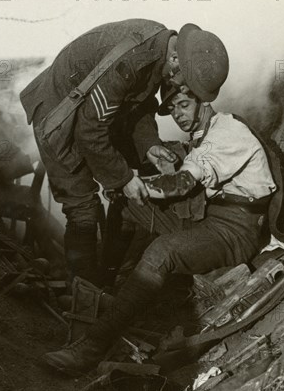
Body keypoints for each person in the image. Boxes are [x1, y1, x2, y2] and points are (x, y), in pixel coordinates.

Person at [42, 64, 283, 375]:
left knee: (161, 250)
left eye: (184, 104)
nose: (178, 114)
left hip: (236, 231)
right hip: (213, 219)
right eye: (171, 109)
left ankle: (91, 348)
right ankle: (106, 292)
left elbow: (183, 184)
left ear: (204, 102)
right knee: (124, 205)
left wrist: (133, 182)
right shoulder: (205, 133)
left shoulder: (227, 131)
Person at [20, 20, 229, 283]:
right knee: (83, 206)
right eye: (182, 82)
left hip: (86, 111)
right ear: (176, 60)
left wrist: (149, 144)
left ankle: (107, 275)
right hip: (57, 114)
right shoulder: (133, 62)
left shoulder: (160, 48)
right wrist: (124, 179)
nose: (179, 89)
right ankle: (84, 296)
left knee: (134, 174)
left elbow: (138, 103)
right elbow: (89, 133)